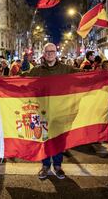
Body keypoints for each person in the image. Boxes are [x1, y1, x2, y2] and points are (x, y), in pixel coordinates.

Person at [24, 43, 80, 180]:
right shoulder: (36, 71)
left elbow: (82, 75)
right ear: (44, 53)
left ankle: (58, 166)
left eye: (52, 51)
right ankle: (45, 166)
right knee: (44, 140)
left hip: (59, 112)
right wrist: (1, 81)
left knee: (58, 140)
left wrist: (103, 74)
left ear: (56, 53)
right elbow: (22, 80)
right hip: (41, 112)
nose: (50, 54)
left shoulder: (66, 69)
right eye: (47, 51)